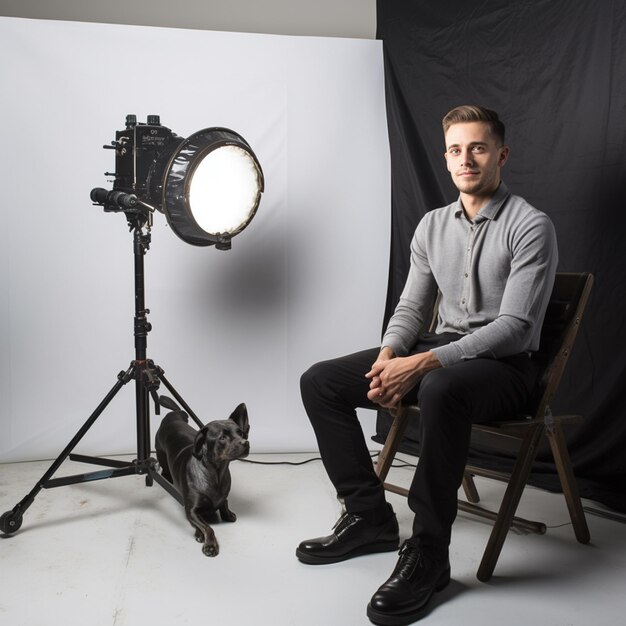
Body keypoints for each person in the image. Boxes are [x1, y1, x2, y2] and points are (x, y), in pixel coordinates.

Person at [296, 105, 558, 625]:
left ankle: (430, 553)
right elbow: (413, 309)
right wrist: (392, 356)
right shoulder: (432, 225)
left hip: (506, 370)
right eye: (457, 150)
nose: (467, 159)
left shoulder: (531, 226)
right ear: (445, 158)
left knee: (439, 388)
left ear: (500, 155)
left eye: (479, 148)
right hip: (438, 356)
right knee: (321, 380)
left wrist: (422, 365)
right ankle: (370, 518)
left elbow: (515, 330)